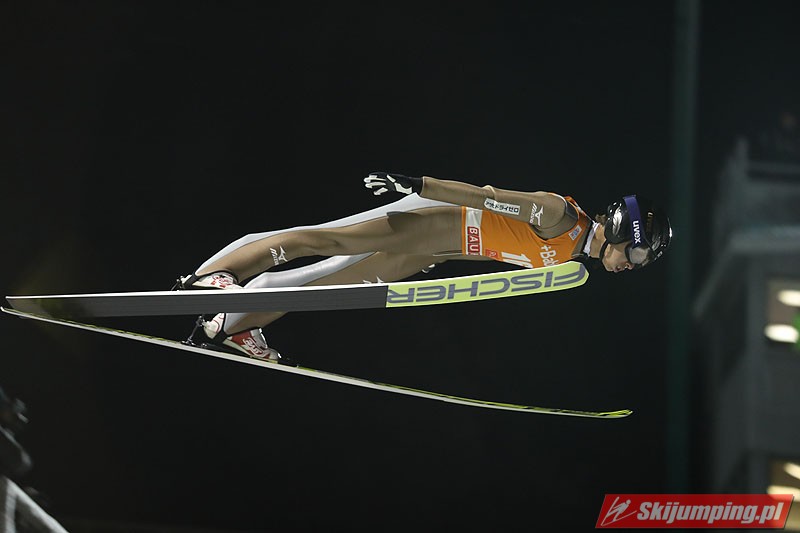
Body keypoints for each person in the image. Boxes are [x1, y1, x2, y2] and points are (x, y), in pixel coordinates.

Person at [176, 172, 672, 361]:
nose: (632, 266)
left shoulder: (571, 257)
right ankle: (209, 278)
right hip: (433, 218)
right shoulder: (560, 216)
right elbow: (488, 198)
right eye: (636, 254)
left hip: (435, 247)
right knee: (327, 238)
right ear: (620, 229)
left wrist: (437, 258)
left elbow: (495, 247)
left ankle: (233, 324)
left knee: (332, 284)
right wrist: (419, 186)